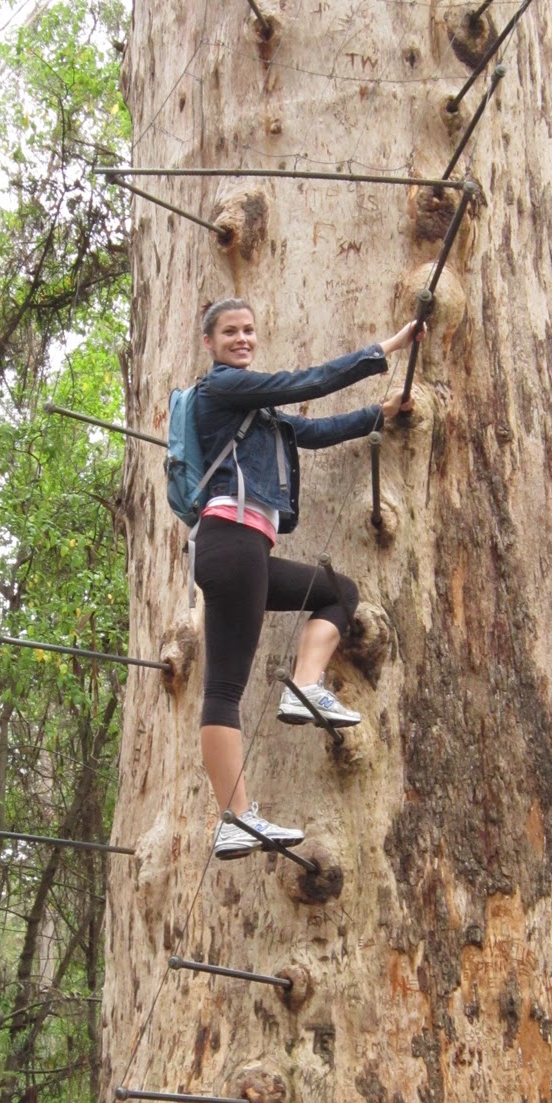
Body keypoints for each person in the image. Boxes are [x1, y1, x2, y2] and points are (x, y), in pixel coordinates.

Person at [192, 297, 420, 859]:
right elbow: (308, 383)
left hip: (243, 551)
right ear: (210, 343)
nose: (241, 339)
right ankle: (237, 819)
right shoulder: (219, 389)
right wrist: (385, 350)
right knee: (223, 688)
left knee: (337, 593)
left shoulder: (260, 414)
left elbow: (311, 431)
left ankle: (305, 687)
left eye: (248, 329)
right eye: (230, 332)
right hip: (231, 541)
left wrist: (380, 415)